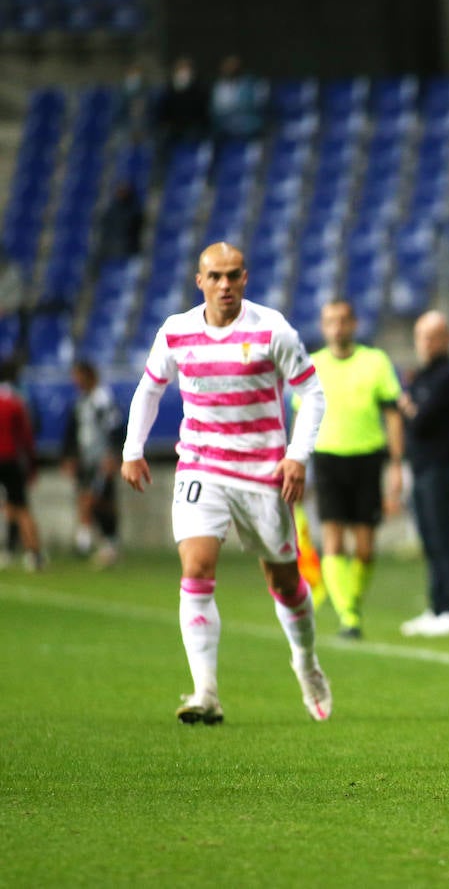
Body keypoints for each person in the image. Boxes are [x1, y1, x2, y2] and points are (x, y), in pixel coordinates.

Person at [119, 241, 331, 724]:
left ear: (245, 278)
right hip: (201, 466)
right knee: (196, 569)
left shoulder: (272, 329)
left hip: (263, 473)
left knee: (284, 581)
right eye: (215, 276)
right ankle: (205, 693)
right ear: (200, 282)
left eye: (234, 275)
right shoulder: (176, 332)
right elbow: (149, 389)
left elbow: (312, 393)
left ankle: (306, 662)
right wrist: (132, 450)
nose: (225, 285)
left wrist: (297, 456)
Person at [308, 299, 405, 639]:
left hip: (367, 457)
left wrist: (396, 464)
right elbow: (300, 416)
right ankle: (350, 617)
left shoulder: (375, 362)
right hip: (327, 457)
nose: (337, 327)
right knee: (333, 540)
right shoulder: (312, 365)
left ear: (353, 324)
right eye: (330, 321)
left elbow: (393, 414)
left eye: (343, 320)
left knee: (364, 547)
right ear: (323, 327)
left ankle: (349, 602)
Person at [398, 311, 449, 637]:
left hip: (442, 466)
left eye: (431, 336)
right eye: (421, 336)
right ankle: (437, 606)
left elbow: (421, 420)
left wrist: (408, 407)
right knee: (429, 538)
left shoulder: (448, 377)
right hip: (422, 465)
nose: (424, 343)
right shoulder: (422, 376)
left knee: (444, 538)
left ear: (445, 339)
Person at [61, 360, 123, 566]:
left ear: (88, 375)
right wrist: (70, 456)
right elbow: (73, 430)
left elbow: (116, 427)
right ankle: (107, 542)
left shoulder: (102, 400)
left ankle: (85, 541)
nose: (75, 381)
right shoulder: (81, 401)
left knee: (93, 499)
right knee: (96, 501)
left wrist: (114, 455)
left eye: (78, 376)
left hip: (101, 459)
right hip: (86, 459)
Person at [0, 357, 43, 570]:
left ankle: (9, 549)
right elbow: (26, 438)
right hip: (9, 459)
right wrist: (32, 467)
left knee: (10, 506)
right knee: (21, 507)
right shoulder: (16, 401)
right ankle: (34, 553)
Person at [210, 55, 266, 144]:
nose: (230, 68)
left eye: (233, 65)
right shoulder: (219, 86)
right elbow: (217, 110)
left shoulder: (252, 83)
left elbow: (258, 105)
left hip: (249, 124)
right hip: (226, 127)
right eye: (228, 65)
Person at [95, 181, 144, 264]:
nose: (121, 194)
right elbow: (104, 226)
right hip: (110, 250)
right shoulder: (112, 209)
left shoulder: (135, 209)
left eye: (124, 191)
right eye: (119, 191)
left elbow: (135, 229)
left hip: (128, 250)